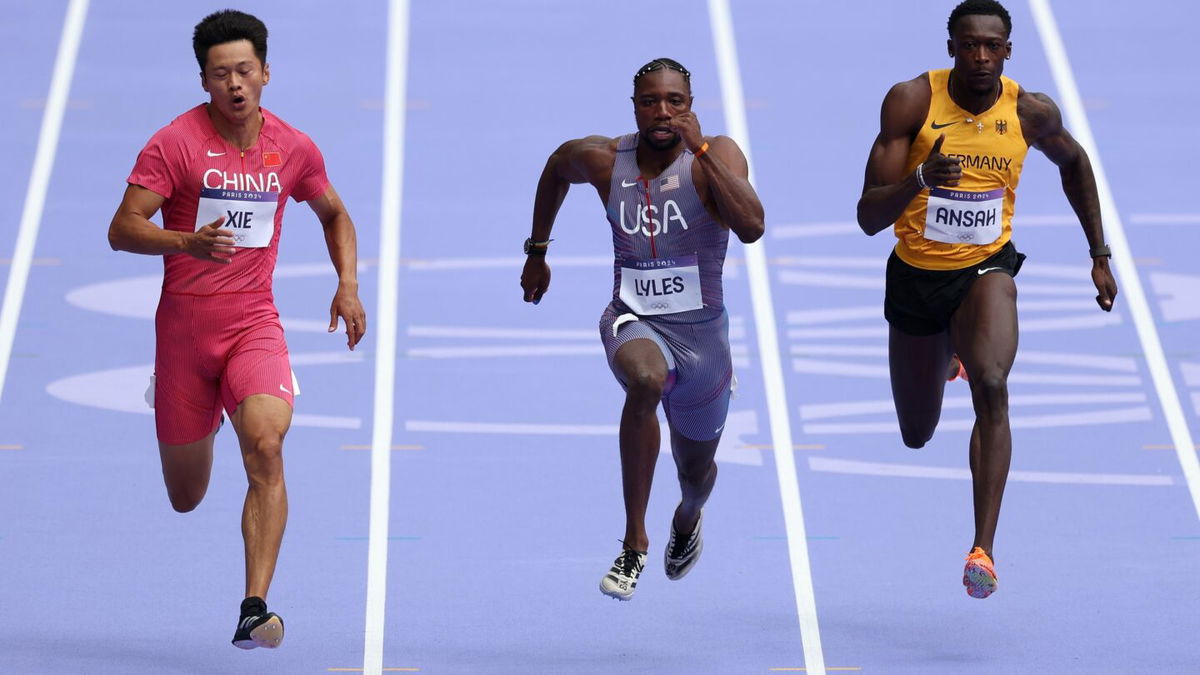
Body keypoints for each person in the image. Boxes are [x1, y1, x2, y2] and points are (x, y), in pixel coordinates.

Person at [107, 10, 366, 647]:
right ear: (204, 81)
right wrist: (185, 241)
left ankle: (254, 606)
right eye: (221, 74)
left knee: (268, 447)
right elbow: (122, 228)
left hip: (253, 323)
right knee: (186, 496)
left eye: (244, 70)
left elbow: (334, 212)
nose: (235, 84)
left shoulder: (292, 146)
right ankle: (194, 408)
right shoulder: (174, 144)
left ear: (266, 73)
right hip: (184, 337)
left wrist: (349, 284)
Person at [856, 0, 1117, 598]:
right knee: (916, 433)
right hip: (917, 275)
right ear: (951, 48)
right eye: (969, 45)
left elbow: (1074, 164)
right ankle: (949, 347)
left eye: (991, 46)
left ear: (1008, 50)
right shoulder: (912, 102)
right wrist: (921, 180)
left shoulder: (1029, 111)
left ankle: (984, 549)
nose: (980, 56)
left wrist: (1098, 254)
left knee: (993, 382)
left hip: (986, 266)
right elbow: (868, 217)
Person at [521, 58, 765, 600]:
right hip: (633, 318)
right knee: (645, 380)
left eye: (675, 101)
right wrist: (538, 251)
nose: (663, 112)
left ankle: (686, 519)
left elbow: (752, 225)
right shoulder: (606, 159)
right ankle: (634, 542)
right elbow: (557, 167)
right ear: (634, 106)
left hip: (704, 343)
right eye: (650, 101)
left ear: (691, 105)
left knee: (695, 473)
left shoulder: (715, 156)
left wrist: (700, 150)